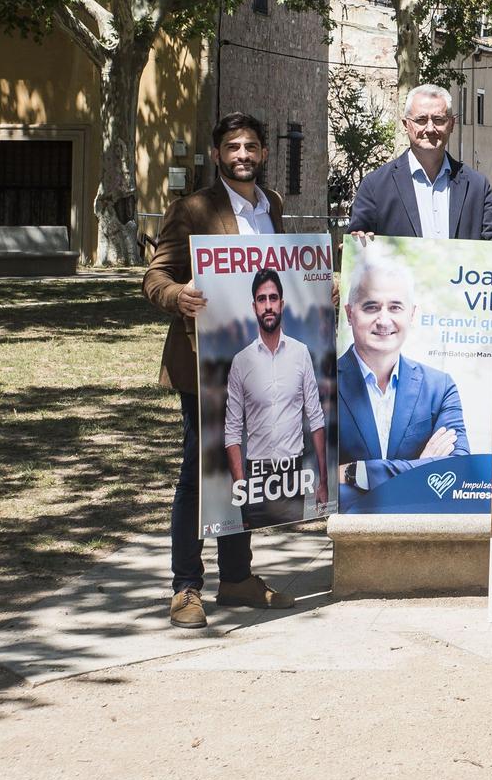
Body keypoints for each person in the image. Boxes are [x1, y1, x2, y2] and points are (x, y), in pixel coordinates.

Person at [142, 112, 298, 628]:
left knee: (244, 472)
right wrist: (177, 295)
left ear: (264, 153)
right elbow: (155, 276)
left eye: (252, 146)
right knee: (196, 473)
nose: (243, 155)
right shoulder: (192, 209)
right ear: (217, 155)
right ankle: (186, 587)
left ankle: (236, 577)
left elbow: (275, 274)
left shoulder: (271, 205)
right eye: (233, 147)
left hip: (258, 362)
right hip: (205, 361)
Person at [334, 252, 469, 502]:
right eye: (371, 307)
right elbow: (312, 480)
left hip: (422, 533)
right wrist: (422, 469)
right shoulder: (322, 385)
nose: (383, 320)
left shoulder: (439, 388)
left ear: (412, 314)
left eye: (395, 307)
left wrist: (357, 472)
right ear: (350, 313)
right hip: (346, 535)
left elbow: (457, 471)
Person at [223, 268, 330, 530]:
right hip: (256, 476)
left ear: (282, 303)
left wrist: (324, 481)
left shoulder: (301, 353)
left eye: (273, 298)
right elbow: (232, 432)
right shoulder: (241, 362)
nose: (268, 305)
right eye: (262, 299)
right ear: (254, 306)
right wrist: (241, 490)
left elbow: (315, 417)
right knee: (247, 537)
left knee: (293, 541)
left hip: (293, 475)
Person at [348, 84, 492, 244]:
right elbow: (355, 245)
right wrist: (358, 243)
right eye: (421, 120)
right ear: (406, 125)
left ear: (451, 124)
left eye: (438, 120)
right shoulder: (376, 185)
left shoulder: (477, 186)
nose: (430, 129)